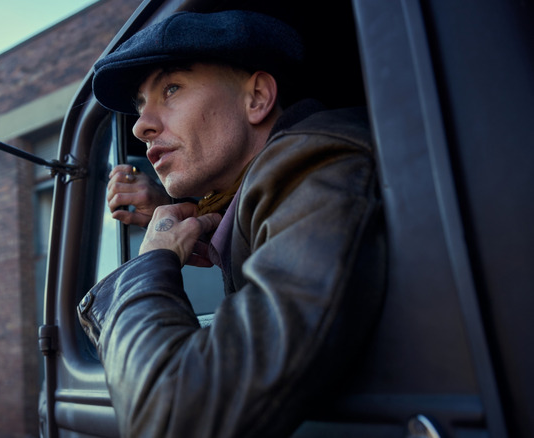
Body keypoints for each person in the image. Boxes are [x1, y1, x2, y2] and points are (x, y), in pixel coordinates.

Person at [77, 10, 386, 437]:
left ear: (257, 97)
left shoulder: (315, 168)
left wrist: (150, 263)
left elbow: (176, 416)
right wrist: (181, 212)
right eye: (140, 107)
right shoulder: (286, 178)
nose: (142, 127)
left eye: (171, 88)